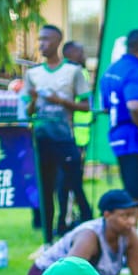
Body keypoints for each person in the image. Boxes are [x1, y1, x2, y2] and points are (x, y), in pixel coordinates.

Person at [26, 25, 91, 246]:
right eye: (40, 40)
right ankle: (47, 239)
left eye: (47, 40)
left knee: (73, 185)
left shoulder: (72, 72)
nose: (42, 44)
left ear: (58, 41)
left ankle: (86, 228)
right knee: (45, 190)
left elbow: (85, 105)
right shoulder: (32, 74)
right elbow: (27, 111)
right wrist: (34, 100)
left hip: (64, 138)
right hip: (42, 139)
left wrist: (60, 101)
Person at [100, 29, 138, 225]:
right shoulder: (133, 71)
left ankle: (130, 242)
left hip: (120, 138)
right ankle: (133, 244)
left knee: (132, 191)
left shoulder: (111, 70)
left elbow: (105, 108)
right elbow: (135, 104)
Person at [63, 40, 94, 229]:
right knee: (70, 181)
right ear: (69, 54)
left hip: (80, 135)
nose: (84, 55)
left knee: (72, 181)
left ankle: (80, 215)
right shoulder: (73, 74)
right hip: (73, 136)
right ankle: (79, 215)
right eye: (79, 52)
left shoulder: (78, 73)